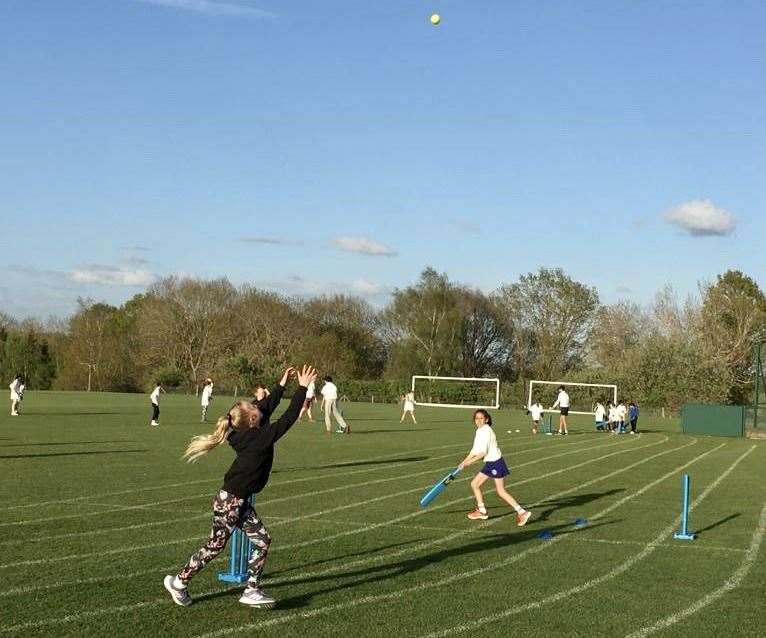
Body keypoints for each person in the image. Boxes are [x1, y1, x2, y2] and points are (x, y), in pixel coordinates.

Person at [163, 365, 315, 609]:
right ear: (253, 420)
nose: (259, 403)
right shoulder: (257, 439)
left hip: (239, 501)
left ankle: (252, 589)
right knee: (215, 545)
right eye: (255, 406)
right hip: (230, 501)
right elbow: (287, 419)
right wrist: (302, 389)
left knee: (263, 540)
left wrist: (281, 385)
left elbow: (265, 409)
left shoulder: (241, 431)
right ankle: (178, 582)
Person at [458, 409, 532, 525]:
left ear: (486, 419)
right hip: (490, 463)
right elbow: (474, 450)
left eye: (481, 418)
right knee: (475, 484)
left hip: (495, 463)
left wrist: (468, 463)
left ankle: (522, 512)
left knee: (501, 491)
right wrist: (464, 461)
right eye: (476, 418)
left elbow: (482, 453)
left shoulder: (486, 431)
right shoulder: (480, 430)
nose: (478, 420)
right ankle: (482, 511)